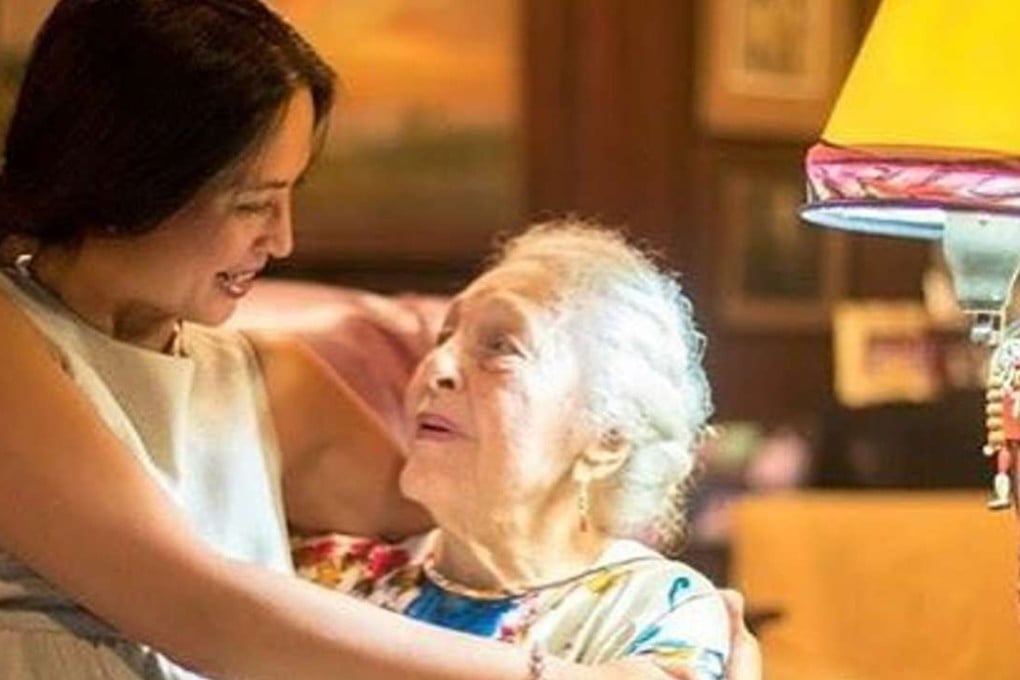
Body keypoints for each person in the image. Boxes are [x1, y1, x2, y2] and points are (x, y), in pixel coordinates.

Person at [0, 1, 763, 678]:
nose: (284, 239)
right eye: (252, 202)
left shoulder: (270, 383)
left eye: (291, 196)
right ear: (138, 177)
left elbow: (494, 526)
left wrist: (693, 639)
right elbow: (199, 609)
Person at [293, 223, 729, 679]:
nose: (435, 367)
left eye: (500, 347)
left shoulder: (656, 611)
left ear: (608, 438)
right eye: (443, 338)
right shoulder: (332, 577)